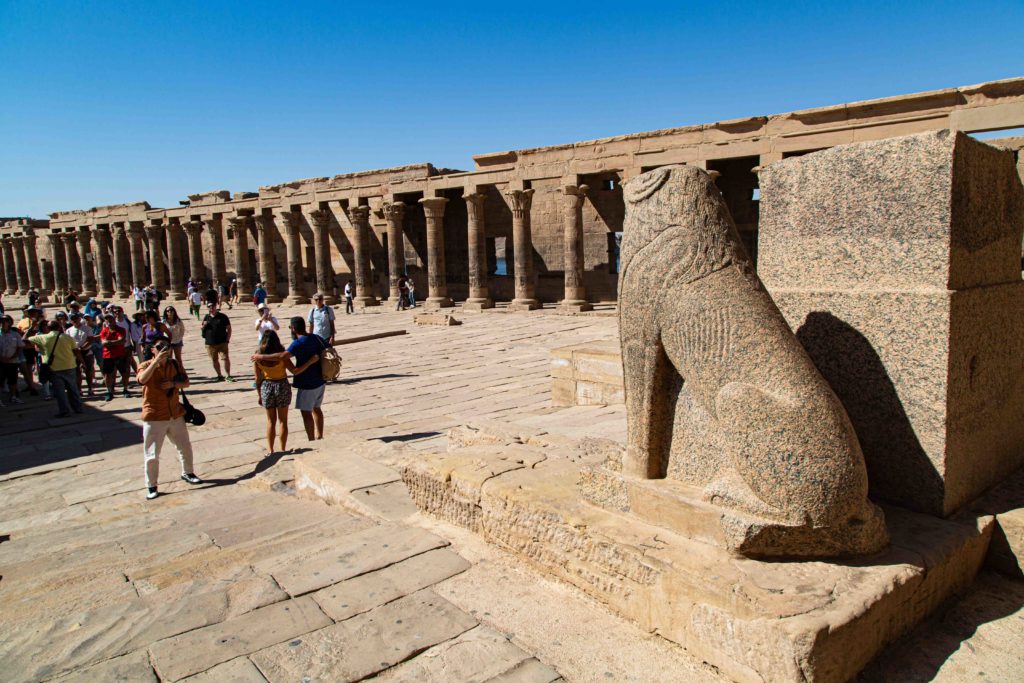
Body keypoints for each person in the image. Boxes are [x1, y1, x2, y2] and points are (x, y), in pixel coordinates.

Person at [136, 334, 203, 500]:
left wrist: (173, 384)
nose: (164, 350)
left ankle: (188, 472)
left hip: (175, 413)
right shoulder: (145, 365)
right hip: (154, 415)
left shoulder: (174, 364)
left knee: (184, 446)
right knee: (152, 454)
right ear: (152, 350)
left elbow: (186, 383)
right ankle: (151, 485)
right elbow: (142, 380)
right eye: (159, 347)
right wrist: (156, 361)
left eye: (166, 347)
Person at [252, 317, 326, 442]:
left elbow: (282, 356)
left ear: (293, 328)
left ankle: (312, 440)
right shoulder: (316, 337)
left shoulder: (298, 343)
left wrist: (260, 356)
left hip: (307, 383)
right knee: (317, 408)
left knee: (306, 412)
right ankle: (320, 435)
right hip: (321, 380)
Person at [27, 320, 83, 417]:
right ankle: (78, 408)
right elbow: (76, 351)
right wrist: (83, 362)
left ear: (48, 328)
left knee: (60, 391)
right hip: (69, 366)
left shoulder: (43, 337)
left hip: (54, 368)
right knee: (72, 389)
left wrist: (31, 328)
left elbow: (25, 339)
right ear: (59, 327)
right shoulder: (67, 337)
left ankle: (64, 411)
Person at [99, 312, 131, 401]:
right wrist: (115, 342)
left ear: (114, 320)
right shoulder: (104, 330)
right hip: (107, 355)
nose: (108, 321)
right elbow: (103, 343)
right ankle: (109, 391)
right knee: (107, 374)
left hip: (119, 354)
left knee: (124, 372)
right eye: (107, 319)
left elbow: (121, 341)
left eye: (110, 319)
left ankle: (125, 389)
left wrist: (109, 343)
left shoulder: (121, 329)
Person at [201, 303, 234, 382]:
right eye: (209, 306)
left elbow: (229, 328)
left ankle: (228, 375)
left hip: (222, 342)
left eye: (213, 306)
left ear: (216, 307)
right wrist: (204, 326)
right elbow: (202, 328)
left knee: (225, 358)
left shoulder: (223, 317)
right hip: (210, 343)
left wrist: (227, 340)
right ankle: (219, 375)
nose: (211, 308)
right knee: (214, 360)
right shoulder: (206, 317)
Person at [67, 312, 97, 397]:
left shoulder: (87, 328)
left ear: (80, 319)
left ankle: (90, 388)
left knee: (88, 370)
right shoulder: (69, 330)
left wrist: (82, 347)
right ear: (71, 321)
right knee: (77, 372)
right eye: (73, 319)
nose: (75, 320)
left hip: (86, 352)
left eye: (76, 318)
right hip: (75, 353)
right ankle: (79, 389)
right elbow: (68, 342)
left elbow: (90, 339)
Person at [0, 315, 24, 406]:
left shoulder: (15, 334)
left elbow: (20, 347)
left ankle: (13, 397)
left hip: (13, 361)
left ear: (9, 323)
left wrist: (13, 357)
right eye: (1, 321)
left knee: (13, 380)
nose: (2, 323)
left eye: (4, 321)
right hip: (1, 362)